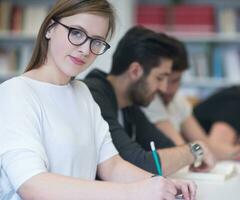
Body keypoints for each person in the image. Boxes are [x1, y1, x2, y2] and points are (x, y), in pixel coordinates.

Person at [0, 1, 197, 200]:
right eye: (76, 33)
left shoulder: (83, 92)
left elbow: (112, 166)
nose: (86, 50)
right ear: (50, 28)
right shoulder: (15, 93)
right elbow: (32, 185)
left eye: (96, 41)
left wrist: (161, 184)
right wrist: (136, 192)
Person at [84, 26, 215, 177]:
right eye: (160, 78)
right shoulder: (94, 97)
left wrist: (187, 152)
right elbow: (139, 164)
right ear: (135, 71)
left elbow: (168, 147)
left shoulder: (128, 105)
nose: (164, 88)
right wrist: (196, 149)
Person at [141, 36, 240, 161]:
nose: (166, 88)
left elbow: (203, 142)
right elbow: (182, 147)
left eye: (175, 81)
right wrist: (201, 150)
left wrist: (236, 152)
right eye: (160, 79)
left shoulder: (178, 101)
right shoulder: (150, 100)